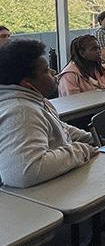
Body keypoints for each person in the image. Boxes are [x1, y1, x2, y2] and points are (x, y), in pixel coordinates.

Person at [0, 39, 98, 188]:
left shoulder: (35, 100)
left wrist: (94, 138)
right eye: (46, 70)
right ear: (27, 83)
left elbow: (60, 129)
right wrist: (82, 150)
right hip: (39, 201)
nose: (53, 72)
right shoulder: (21, 111)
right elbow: (25, 172)